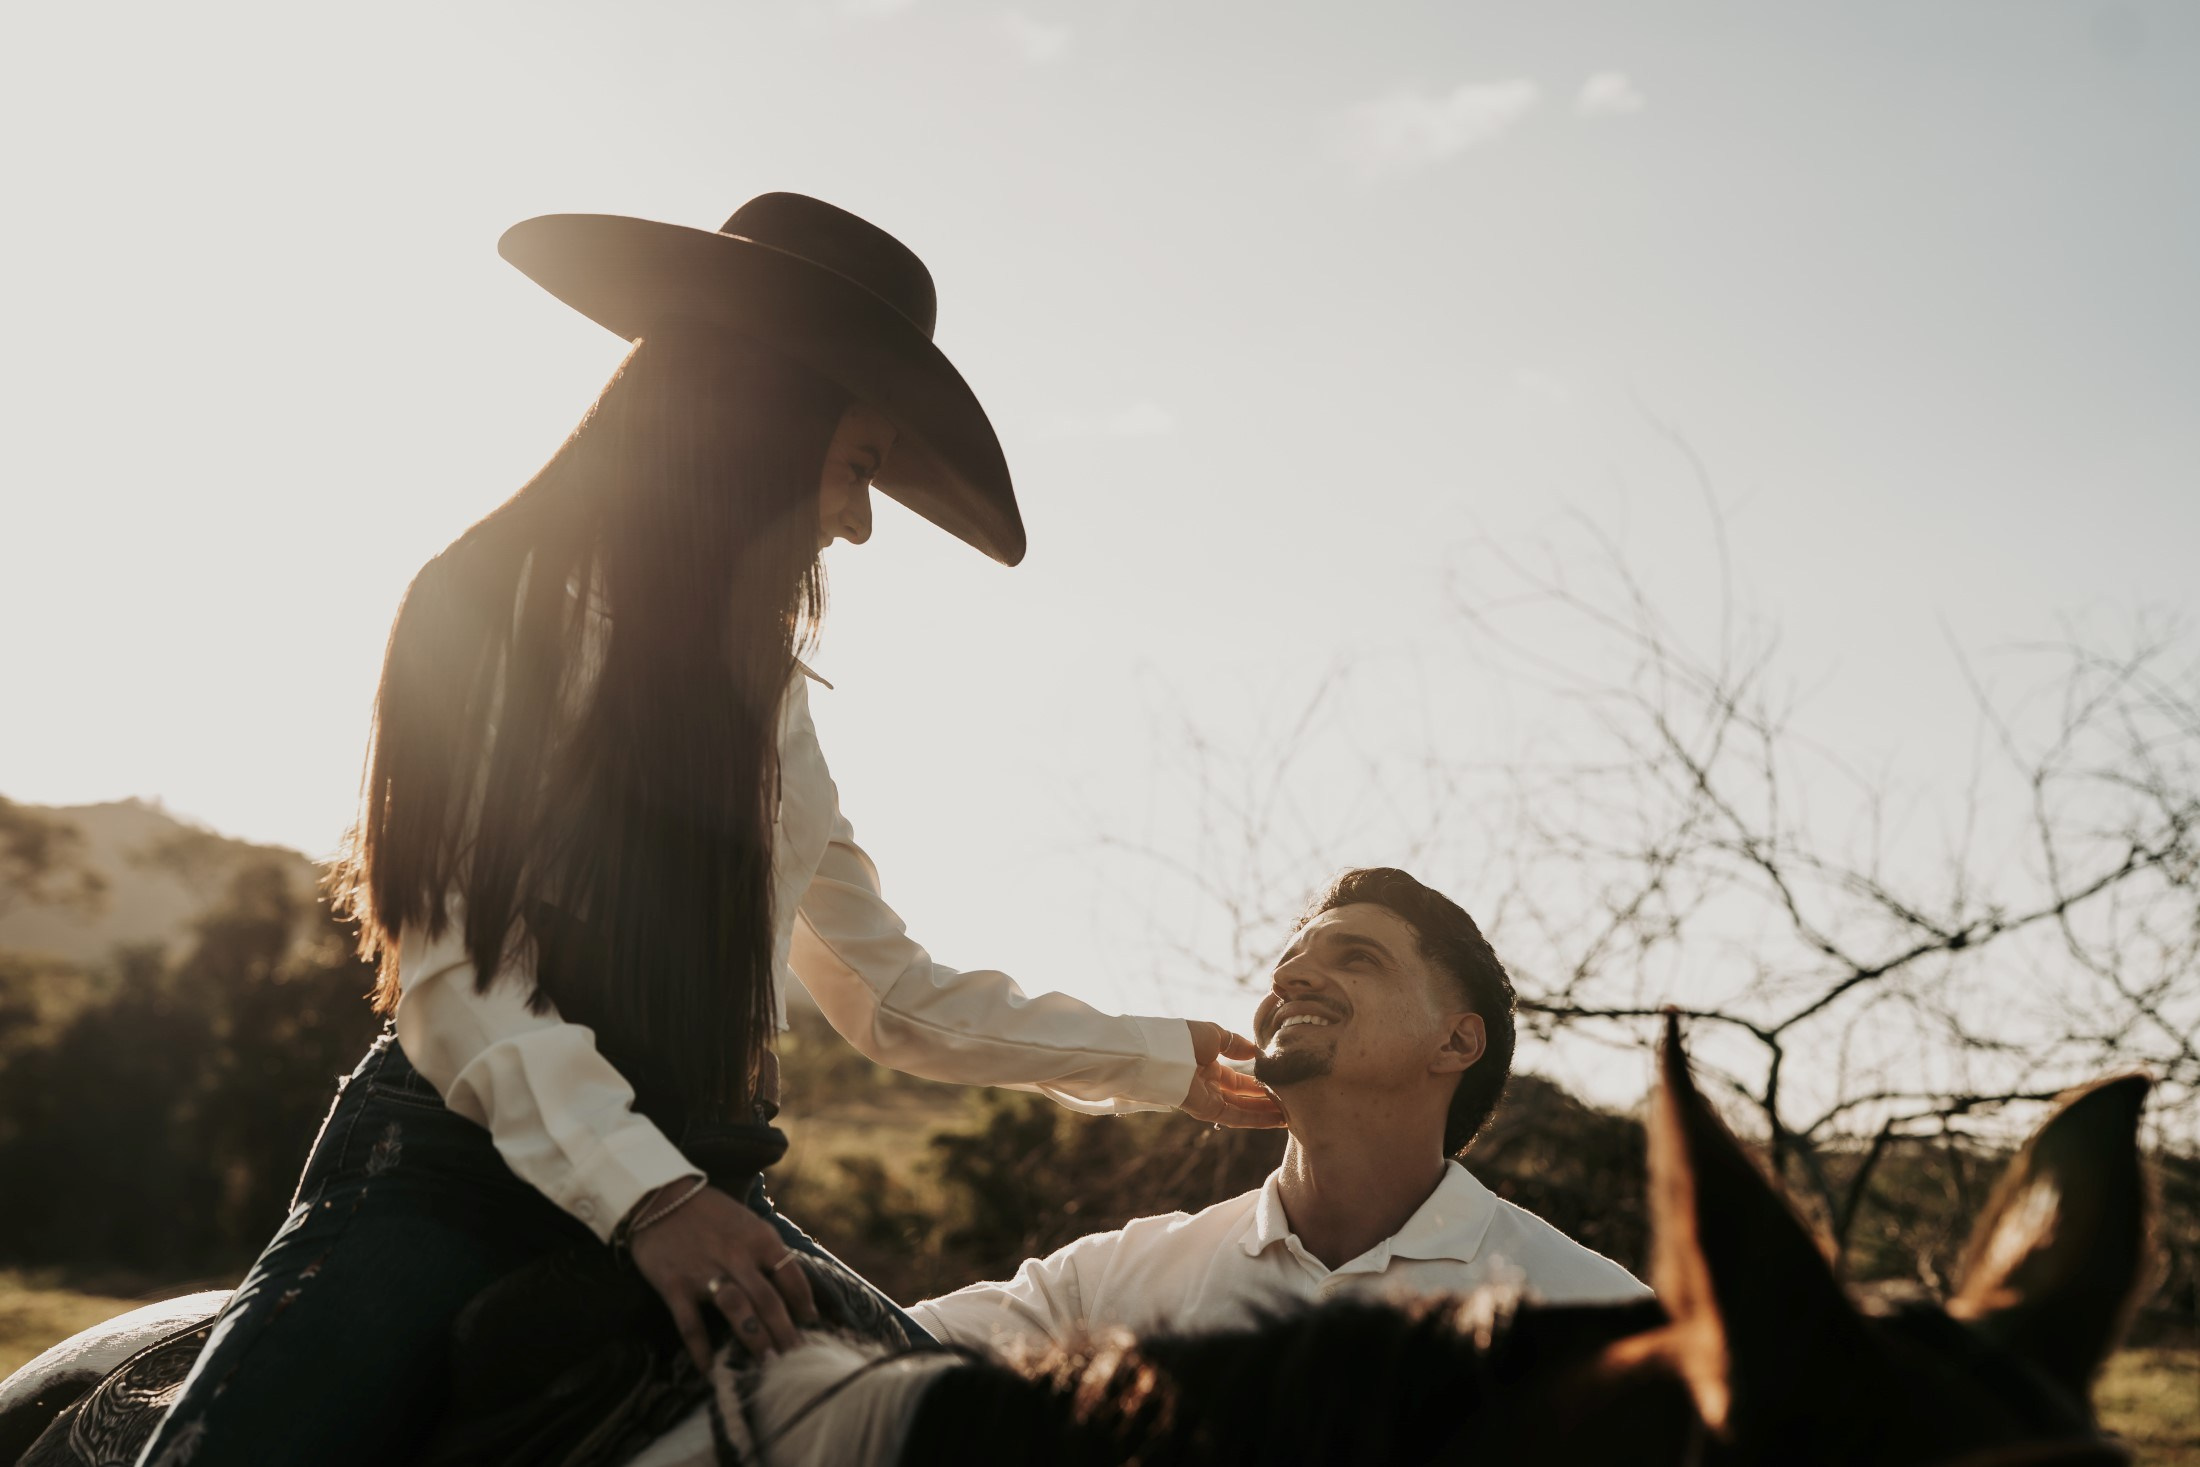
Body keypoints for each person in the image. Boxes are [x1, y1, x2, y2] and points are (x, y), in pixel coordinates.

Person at [134, 193, 1281, 1467]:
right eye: (858, 466)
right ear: (759, 416)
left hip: (709, 1177)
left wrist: (1163, 1061)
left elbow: (891, 994)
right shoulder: (487, 606)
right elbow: (458, 980)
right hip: (456, 1177)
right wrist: (654, 1200)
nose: (858, 523)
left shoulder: (770, 704)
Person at [909, 867, 1647, 1352]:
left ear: (1455, 1041)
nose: (1290, 978)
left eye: (1357, 958)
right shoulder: (1110, 1281)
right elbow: (870, 1350)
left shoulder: (1603, 1319)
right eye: (1289, 964)